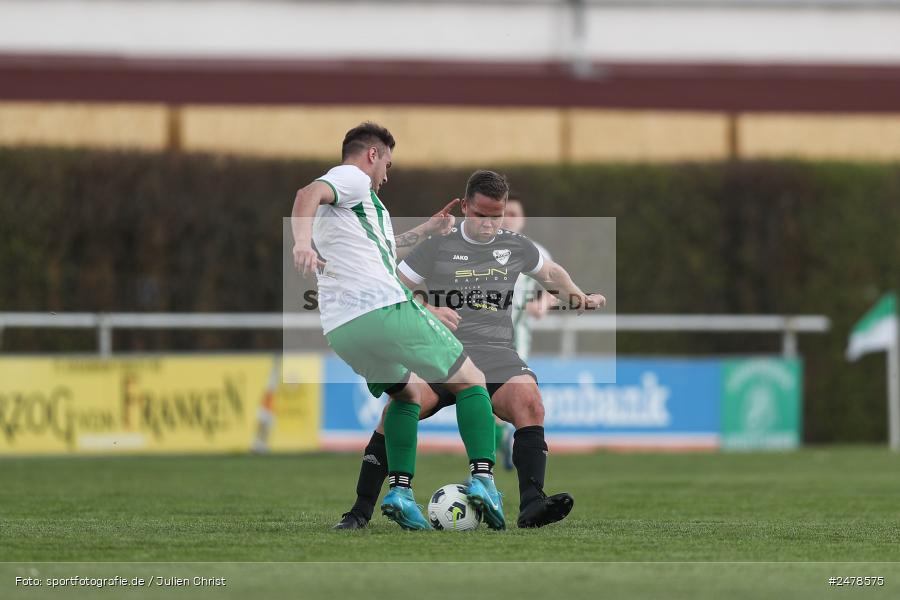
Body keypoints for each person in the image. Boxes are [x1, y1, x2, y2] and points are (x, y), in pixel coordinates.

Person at [334, 169, 605, 529]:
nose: (489, 224)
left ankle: (532, 504)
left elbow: (551, 274)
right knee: (397, 410)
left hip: (495, 354)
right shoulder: (437, 245)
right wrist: (428, 310)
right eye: (481, 216)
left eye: (497, 217)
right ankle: (359, 512)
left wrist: (581, 299)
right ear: (464, 207)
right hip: (438, 350)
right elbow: (393, 287)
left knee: (531, 404)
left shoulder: (515, 245)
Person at [292, 123, 505, 530]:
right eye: (387, 163)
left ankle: (401, 492)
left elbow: (381, 248)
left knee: (407, 396)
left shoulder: (350, 210)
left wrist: (427, 230)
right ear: (372, 155)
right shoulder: (352, 177)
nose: (386, 175)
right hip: (383, 310)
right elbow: (306, 194)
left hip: (343, 329)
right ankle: (483, 479)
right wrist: (300, 243)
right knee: (473, 381)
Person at [495, 193, 556, 470]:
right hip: (480, 334)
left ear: (523, 219)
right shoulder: (482, 247)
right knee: (486, 396)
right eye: (505, 213)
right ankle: (506, 441)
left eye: (515, 213)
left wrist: (542, 305)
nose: (510, 218)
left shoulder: (537, 252)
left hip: (516, 338)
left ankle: (507, 442)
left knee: (498, 394)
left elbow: (554, 289)